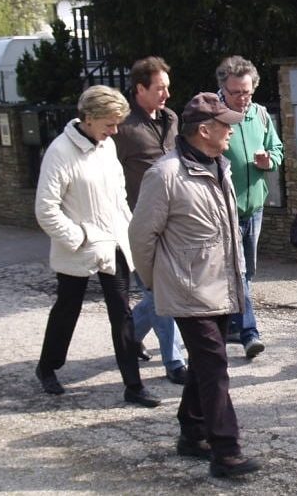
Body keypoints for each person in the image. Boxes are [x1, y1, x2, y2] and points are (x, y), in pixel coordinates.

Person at [128, 92, 262, 478]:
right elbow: (141, 237)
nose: (232, 134)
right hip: (188, 290)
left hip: (219, 285)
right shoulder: (165, 175)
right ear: (204, 130)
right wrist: (160, 283)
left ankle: (191, 431)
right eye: (226, 127)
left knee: (209, 361)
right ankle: (226, 451)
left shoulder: (219, 165)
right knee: (214, 364)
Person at [33, 85, 160, 408]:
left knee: (122, 314)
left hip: (113, 243)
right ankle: (48, 367)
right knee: (67, 309)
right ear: (88, 119)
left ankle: (134, 385)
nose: (114, 131)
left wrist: (132, 234)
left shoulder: (106, 147)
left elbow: (118, 197)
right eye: (110, 123)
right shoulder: (60, 151)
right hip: (80, 247)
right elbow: (45, 208)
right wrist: (78, 238)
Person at [113, 56, 188, 385]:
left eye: (168, 88)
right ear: (140, 89)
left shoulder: (171, 119)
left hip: (174, 220)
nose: (166, 95)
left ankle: (130, 333)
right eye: (159, 88)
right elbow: (109, 175)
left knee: (159, 294)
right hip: (140, 223)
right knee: (162, 293)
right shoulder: (124, 128)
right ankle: (175, 362)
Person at [215, 55, 284, 359]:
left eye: (247, 92)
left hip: (254, 207)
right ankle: (249, 333)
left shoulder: (260, 115)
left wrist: (270, 160)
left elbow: (277, 148)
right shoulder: (211, 114)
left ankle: (231, 324)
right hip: (223, 211)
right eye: (235, 93)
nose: (242, 99)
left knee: (248, 271)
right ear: (222, 89)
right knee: (239, 272)